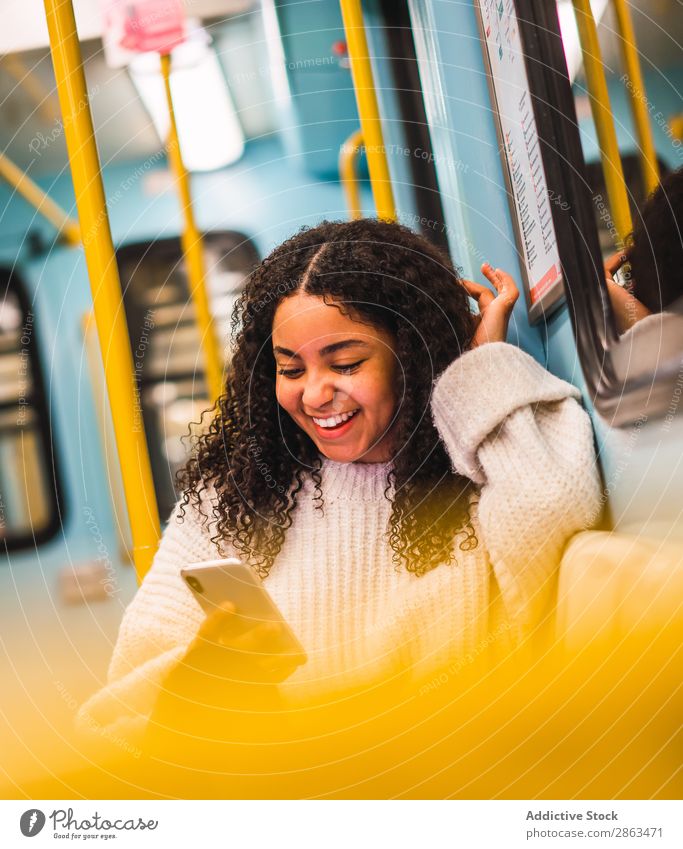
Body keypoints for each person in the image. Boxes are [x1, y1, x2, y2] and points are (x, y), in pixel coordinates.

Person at [77, 218, 601, 749]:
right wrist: (197, 694)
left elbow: (552, 509)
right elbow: (114, 717)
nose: (314, 395)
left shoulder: (476, 463)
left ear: (412, 355)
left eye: (346, 363)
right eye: (290, 369)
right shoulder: (233, 496)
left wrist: (479, 363)